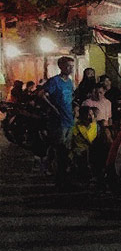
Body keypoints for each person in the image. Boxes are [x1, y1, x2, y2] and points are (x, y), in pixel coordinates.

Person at [43, 56, 76, 189]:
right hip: (58, 121)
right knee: (60, 151)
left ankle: (64, 178)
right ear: (61, 66)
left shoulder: (69, 82)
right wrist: (54, 108)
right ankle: (59, 179)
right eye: (68, 66)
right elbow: (42, 94)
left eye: (72, 66)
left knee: (67, 151)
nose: (71, 68)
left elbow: (71, 97)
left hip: (69, 119)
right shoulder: (54, 81)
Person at [70, 105, 98, 179]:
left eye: (92, 114)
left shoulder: (95, 125)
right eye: (88, 114)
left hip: (91, 149)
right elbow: (88, 138)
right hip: (80, 149)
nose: (91, 116)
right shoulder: (78, 125)